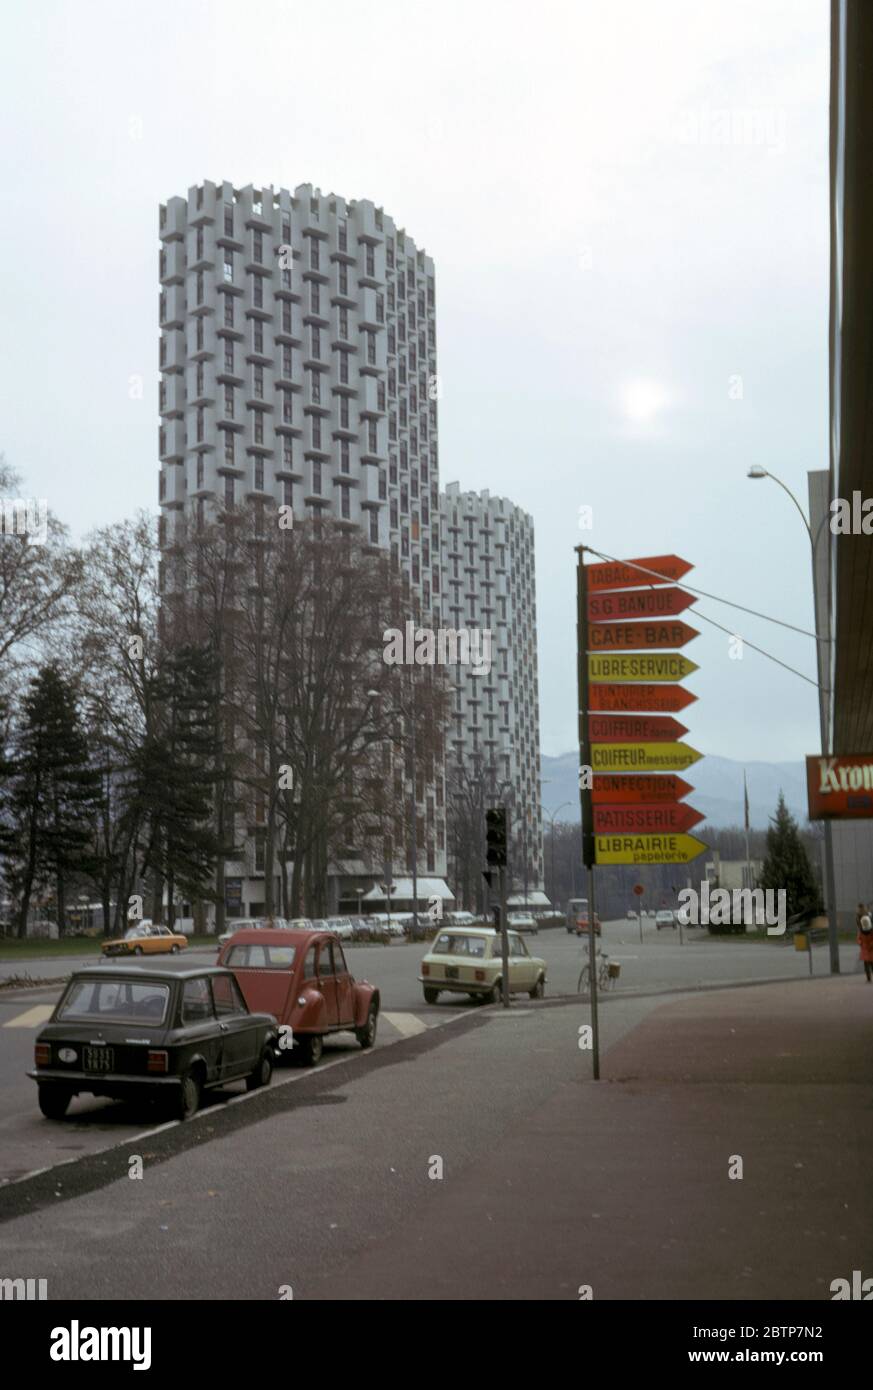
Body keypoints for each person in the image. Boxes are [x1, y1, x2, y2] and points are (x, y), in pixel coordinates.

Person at [856, 903, 873, 983]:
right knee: (866, 964)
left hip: (868, 948)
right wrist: (860, 943)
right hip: (866, 948)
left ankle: (869, 977)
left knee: (871, 963)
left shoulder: (870, 931)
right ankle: (868, 977)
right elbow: (859, 938)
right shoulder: (862, 931)